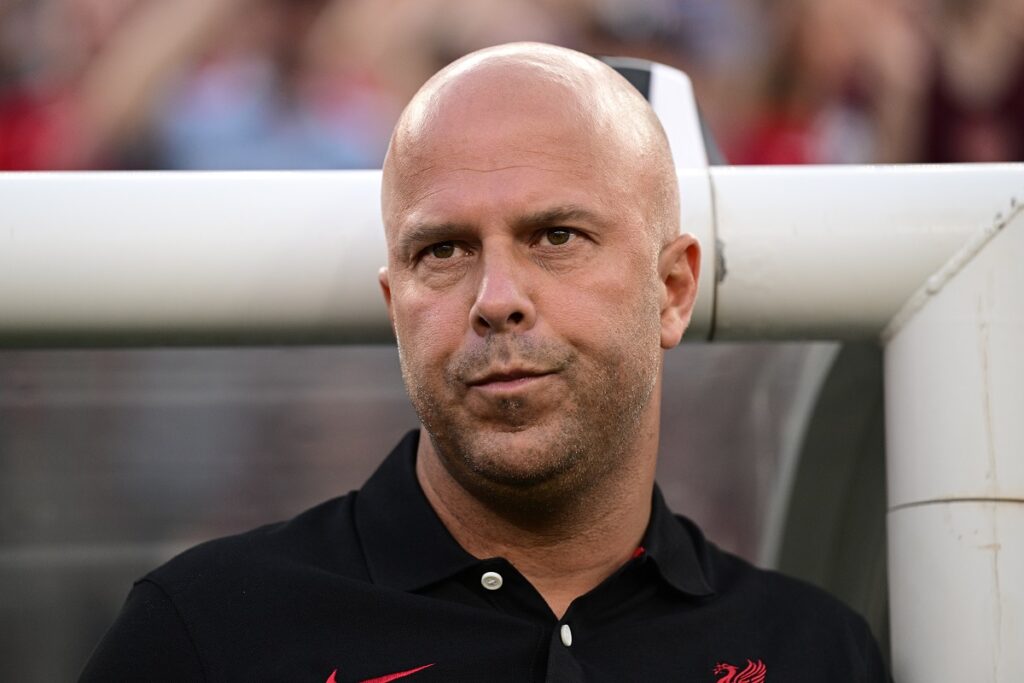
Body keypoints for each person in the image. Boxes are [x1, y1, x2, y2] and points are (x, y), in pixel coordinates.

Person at [80, 42, 887, 681]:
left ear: (673, 289)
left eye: (556, 236)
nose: (496, 297)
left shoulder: (813, 652)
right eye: (444, 249)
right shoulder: (207, 634)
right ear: (396, 306)